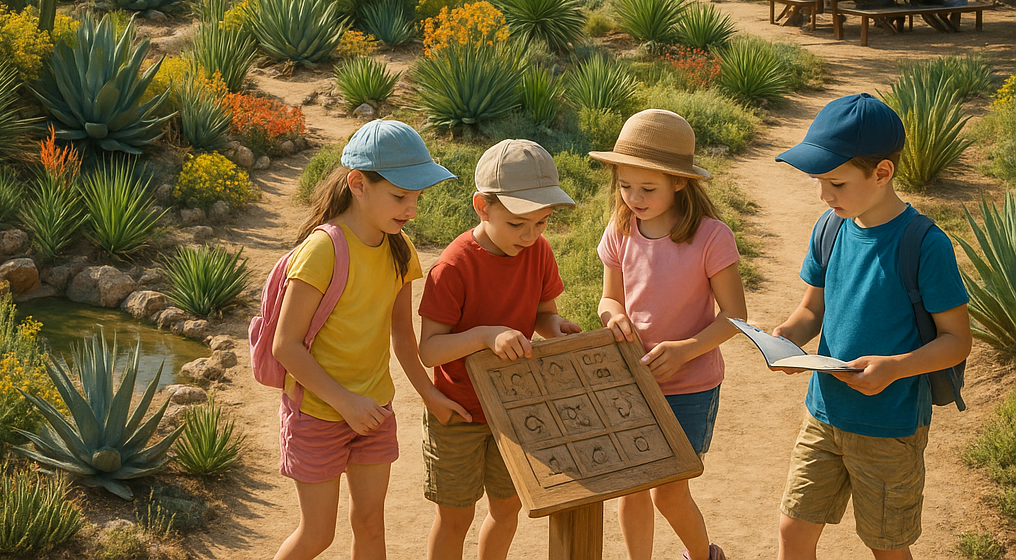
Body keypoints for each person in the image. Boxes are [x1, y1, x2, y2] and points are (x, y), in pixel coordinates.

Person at [771, 94, 971, 560]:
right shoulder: (829, 229)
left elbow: (957, 341)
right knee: (792, 531)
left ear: (882, 172)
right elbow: (811, 311)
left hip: (890, 428)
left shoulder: (925, 244)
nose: (824, 195)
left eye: (836, 182)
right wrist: (787, 338)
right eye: (819, 182)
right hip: (823, 414)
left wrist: (895, 367)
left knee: (886, 546)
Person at [271, 119, 466, 560]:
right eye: (400, 196)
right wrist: (346, 403)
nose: (411, 209)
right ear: (358, 184)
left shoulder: (400, 248)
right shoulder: (322, 250)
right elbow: (286, 345)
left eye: (417, 196)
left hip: (375, 412)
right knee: (317, 535)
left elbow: (403, 337)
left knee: (371, 525)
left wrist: (430, 395)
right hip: (318, 414)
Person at [592, 109, 747, 560]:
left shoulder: (712, 236)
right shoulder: (620, 229)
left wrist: (686, 350)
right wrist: (612, 316)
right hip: (633, 379)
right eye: (625, 186)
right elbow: (609, 299)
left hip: (691, 386)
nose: (634, 198)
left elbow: (735, 316)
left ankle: (705, 556)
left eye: (647, 188)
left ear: (680, 181)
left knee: (669, 493)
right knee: (633, 486)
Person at [418, 139, 582, 560]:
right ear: (482, 207)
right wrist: (485, 336)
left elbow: (544, 314)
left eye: (541, 223)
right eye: (516, 224)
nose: (530, 236)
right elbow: (430, 350)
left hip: (514, 407)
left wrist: (556, 328)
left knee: (507, 509)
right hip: (458, 412)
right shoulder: (452, 267)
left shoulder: (539, 252)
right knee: (455, 517)